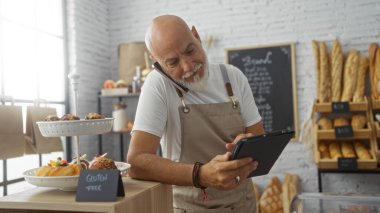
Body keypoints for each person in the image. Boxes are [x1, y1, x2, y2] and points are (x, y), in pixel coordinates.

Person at [127, 14, 265, 212]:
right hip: (190, 208)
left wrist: (248, 144)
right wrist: (201, 175)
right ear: (156, 61)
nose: (188, 67)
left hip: (243, 205)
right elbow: (136, 162)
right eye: (173, 63)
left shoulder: (233, 77)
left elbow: (259, 137)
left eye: (190, 51)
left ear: (196, 35)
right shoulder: (158, 85)